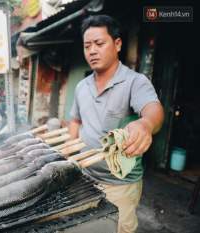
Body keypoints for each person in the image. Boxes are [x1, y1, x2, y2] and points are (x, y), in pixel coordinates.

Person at [69, 15, 164, 233]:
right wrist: (70, 159)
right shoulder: (81, 87)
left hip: (120, 185)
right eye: (87, 46)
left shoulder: (135, 82)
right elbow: (75, 121)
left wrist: (146, 124)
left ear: (117, 44)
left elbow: (153, 110)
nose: (92, 51)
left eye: (99, 44)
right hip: (85, 178)